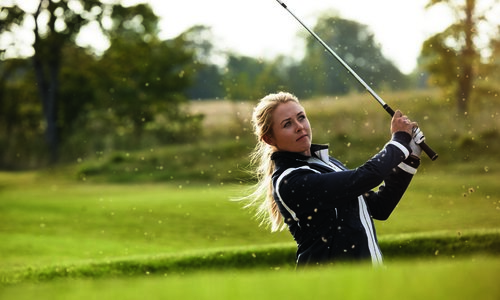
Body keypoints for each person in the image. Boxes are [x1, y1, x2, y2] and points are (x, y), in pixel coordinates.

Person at [243, 91, 424, 267]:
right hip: (328, 286)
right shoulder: (289, 180)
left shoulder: (327, 164)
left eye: (301, 117)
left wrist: (409, 158)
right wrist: (398, 141)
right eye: (287, 124)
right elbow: (365, 177)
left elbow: (380, 207)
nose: (299, 126)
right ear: (268, 139)